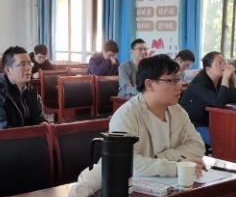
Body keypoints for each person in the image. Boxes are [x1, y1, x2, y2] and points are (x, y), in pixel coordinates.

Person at [75, 55, 205, 185]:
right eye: (172, 81)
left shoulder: (177, 111)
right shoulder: (126, 115)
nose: (180, 86)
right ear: (149, 84)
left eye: (179, 79)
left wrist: (161, 157)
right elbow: (126, 162)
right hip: (123, 187)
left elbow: (198, 146)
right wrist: (175, 166)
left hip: (166, 184)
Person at [179, 51, 236, 147]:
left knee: (235, 136)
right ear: (208, 69)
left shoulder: (220, 81)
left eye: (224, 62)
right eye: (219, 63)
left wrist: (234, 75)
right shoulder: (199, 82)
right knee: (219, 141)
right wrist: (226, 77)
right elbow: (219, 103)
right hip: (192, 124)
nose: (224, 66)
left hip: (211, 122)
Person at [0, 46, 45, 130]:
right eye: (22, 64)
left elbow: (40, 120)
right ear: (8, 70)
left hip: (28, 137)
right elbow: (2, 130)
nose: (28, 68)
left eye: (29, 63)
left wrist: (44, 126)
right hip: (3, 138)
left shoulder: (30, 90)